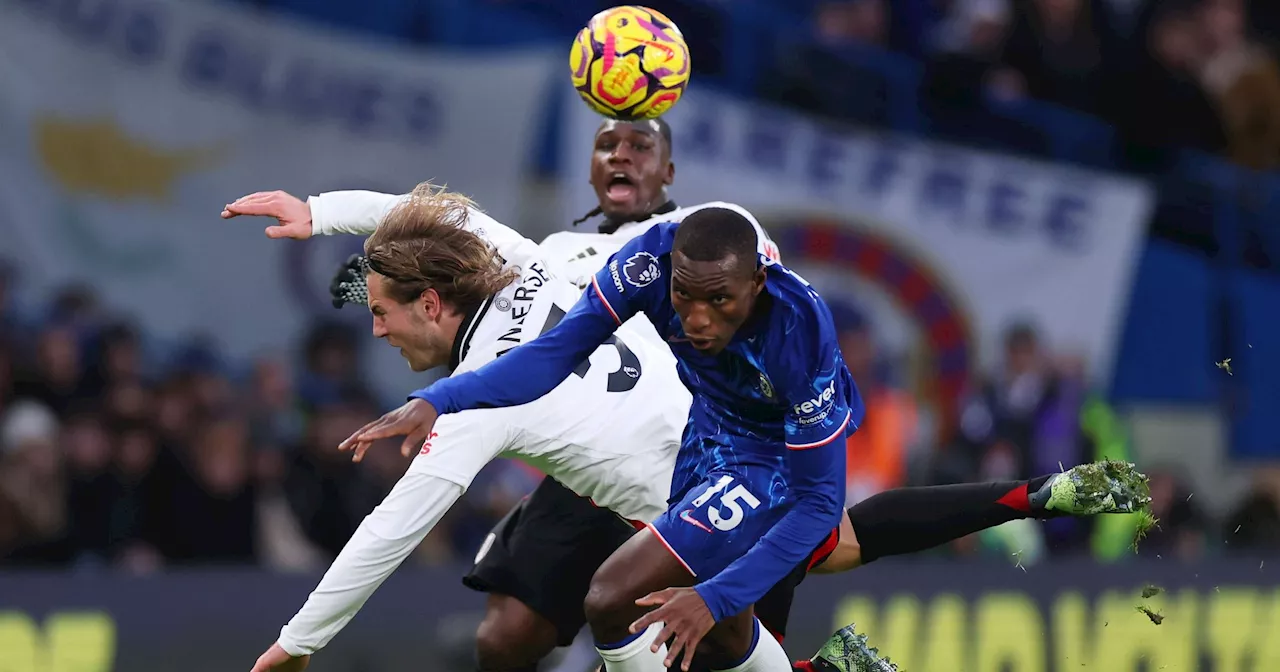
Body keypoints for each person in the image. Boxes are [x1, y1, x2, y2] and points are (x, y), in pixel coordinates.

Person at [224, 118, 1150, 672]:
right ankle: (1017, 509)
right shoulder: (533, 258)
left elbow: (387, 530)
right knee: (822, 552)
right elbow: (445, 219)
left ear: (434, 300)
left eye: (384, 312)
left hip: (706, 483)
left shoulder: (484, 399)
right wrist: (324, 212)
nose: (376, 331)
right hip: (710, 450)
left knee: (661, 601)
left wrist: (300, 642)